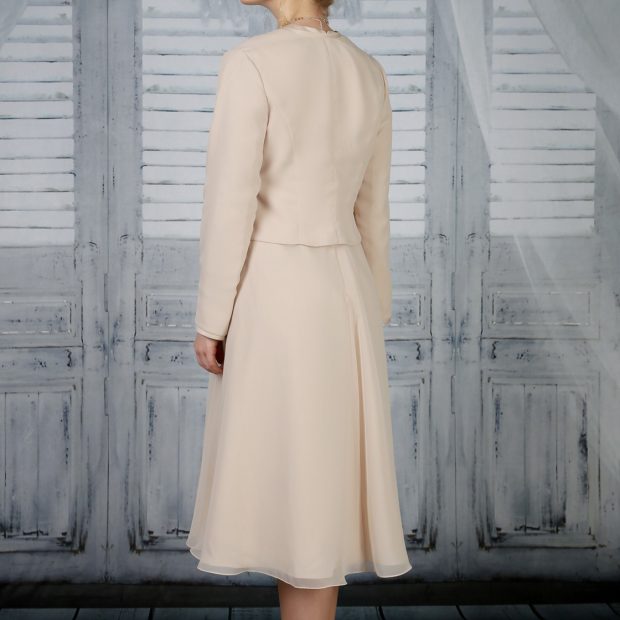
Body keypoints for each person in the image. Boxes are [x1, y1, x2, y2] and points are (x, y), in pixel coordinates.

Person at [186, 0, 413, 617]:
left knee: (293, 484)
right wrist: (373, 310)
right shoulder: (368, 70)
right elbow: (373, 208)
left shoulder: (251, 61)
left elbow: (230, 201)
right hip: (346, 290)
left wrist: (212, 318)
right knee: (320, 488)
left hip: (277, 292)